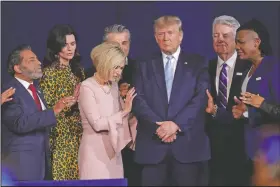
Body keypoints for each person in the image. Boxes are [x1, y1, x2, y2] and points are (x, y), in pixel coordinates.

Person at [132, 15, 210, 186]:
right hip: (153, 147)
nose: (165, 38)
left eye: (170, 33)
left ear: (180, 35)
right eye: (160, 34)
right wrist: (160, 126)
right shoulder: (143, 64)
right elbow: (138, 99)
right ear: (155, 37)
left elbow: (200, 98)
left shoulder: (198, 63)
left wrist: (175, 125)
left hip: (187, 148)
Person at [1, 44, 75, 181]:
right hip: (22, 166)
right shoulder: (9, 91)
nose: (39, 62)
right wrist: (54, 110)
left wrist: (62, 107)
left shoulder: (36, 89)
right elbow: (19, 123)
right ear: (17, 68)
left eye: (37, 59)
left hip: (41, 164)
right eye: (31, 60)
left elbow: (41, 121)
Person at [78, 42, 136, 180]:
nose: (118, 72)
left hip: (114, 151)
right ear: (105, 63)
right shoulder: (87, 87)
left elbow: (123, 118)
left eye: (121, 68)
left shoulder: (114, 86)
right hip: (94, 153)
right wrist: (124, 112)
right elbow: (97, 124)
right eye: (115, 67)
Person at [205, 15, 251, 185]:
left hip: (242, 148)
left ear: (236, 39)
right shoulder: (204, 68)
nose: (220, 40)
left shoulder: (249, 68)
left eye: (226, 36)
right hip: (211, 150)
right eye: (216, 35)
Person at [233, 18, 280, 183]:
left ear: (257, 42)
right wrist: (244, 112)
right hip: (253, 148)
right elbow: (253, 111)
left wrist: (262, 104)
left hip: (273, 152)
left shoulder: (274, 67)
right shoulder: (246, 70)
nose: (237, 47)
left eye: (241, 42)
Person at [39, 24, 85, 180]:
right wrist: (70, 103)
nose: (70, 48)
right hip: (61, 138)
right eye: (65, 45)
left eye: (72, 44)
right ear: (56, 46)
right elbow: (47, 110)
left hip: (80, 135)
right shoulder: (49, 73)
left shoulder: (78, 71)